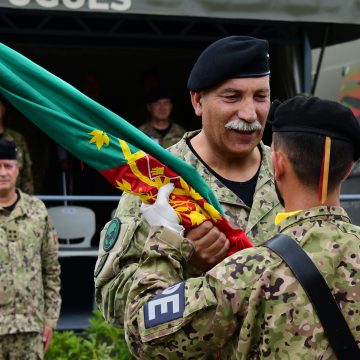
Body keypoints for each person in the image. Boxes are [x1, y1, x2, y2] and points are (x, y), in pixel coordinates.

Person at [124, 95, 360, 359]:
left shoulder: (247, 272)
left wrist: (164, 238)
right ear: (348, 169)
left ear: (278, 164)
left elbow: (144, 335)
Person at [94, 36, 282, 327]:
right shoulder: (157, 177)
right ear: (197, 101)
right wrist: (181, 257)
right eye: (232, 97)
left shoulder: (288, 172)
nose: (249, 113)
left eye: (260, 97)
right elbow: (113, 301)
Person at [0, 140, 61, 359]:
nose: (3, 172)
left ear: (18, 169)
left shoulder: (37, 211)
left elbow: (51, 269)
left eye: (8, 166)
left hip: (30, 327)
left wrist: (50, 320)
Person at [0, 95, 34, 194]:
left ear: (3, 108)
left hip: (14, 201)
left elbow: (26, 174)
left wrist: (27, 203)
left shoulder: (17, 139)